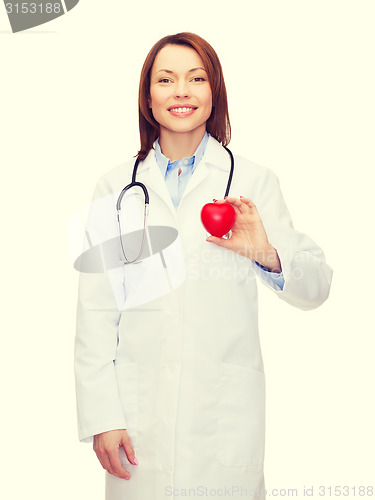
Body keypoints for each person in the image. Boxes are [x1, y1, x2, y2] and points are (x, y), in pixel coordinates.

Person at [74, 32, 333, 500]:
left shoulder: (253, 181)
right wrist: (103, 417)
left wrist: (267, 254)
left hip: (222, 419)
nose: (181, 91)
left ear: (214, 94)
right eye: (165, 80)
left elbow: (317, 285)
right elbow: (95, 313)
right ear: (148, 98)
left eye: (196, 78)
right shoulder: (116, 189)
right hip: (138, 421)